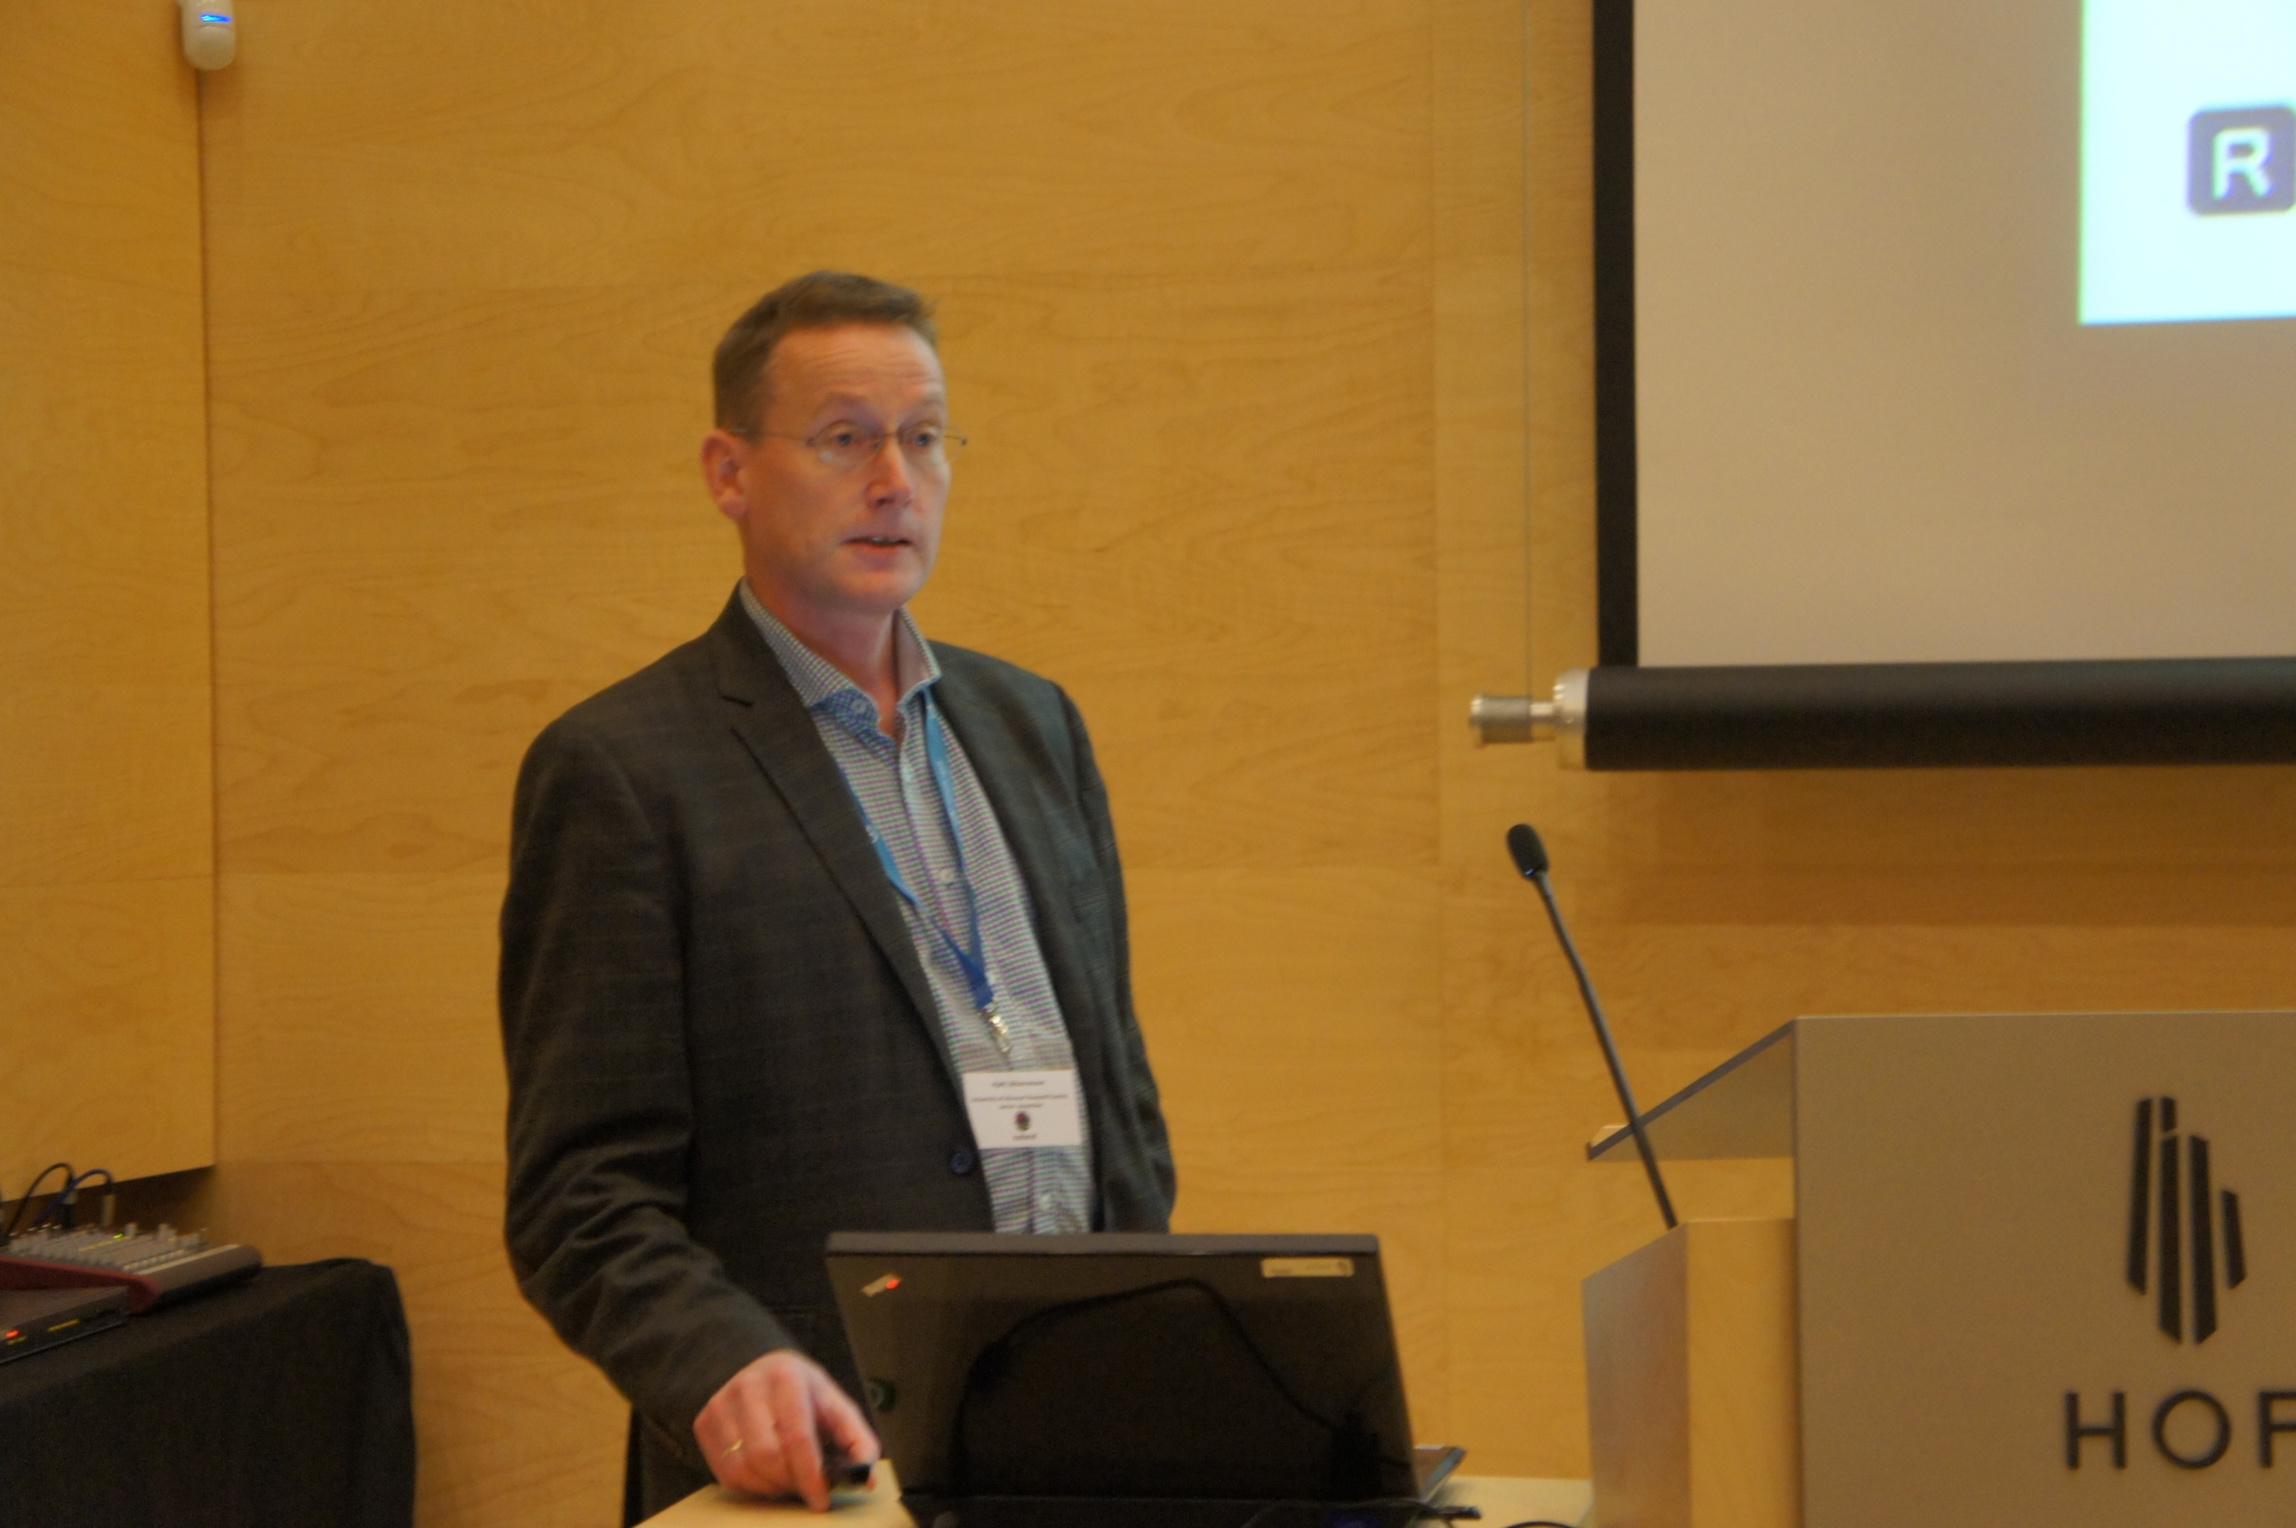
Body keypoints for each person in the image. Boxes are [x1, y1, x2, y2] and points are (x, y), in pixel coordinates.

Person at [498, 272, 1176, 1522]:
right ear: (729, 471)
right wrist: (720, 1366)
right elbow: (579, 1196)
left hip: (1076, 1451)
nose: (894, 481)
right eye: (844, 438)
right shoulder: (624, 771)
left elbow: (1119, 1099)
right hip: (812, 1479)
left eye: (924, 437)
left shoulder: (1034, 727)